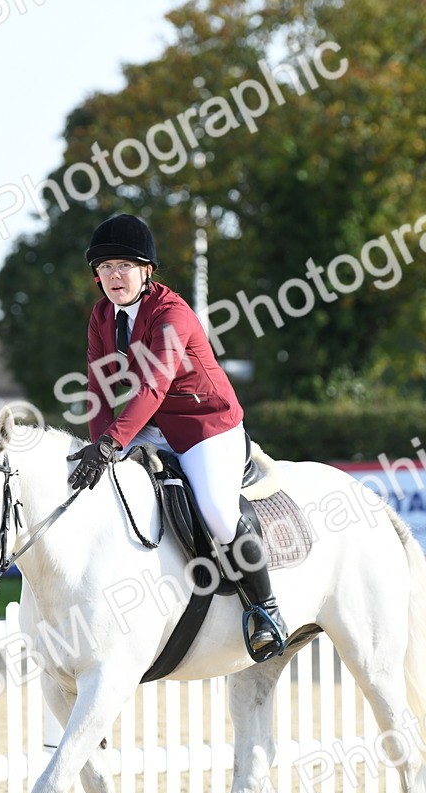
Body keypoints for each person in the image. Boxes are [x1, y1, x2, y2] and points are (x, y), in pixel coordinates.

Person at [65, 213, 287, 651]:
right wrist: (96, 446)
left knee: (219, 513)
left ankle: (266, 608)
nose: (113, 276)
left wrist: (112, 443)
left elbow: (153, 384)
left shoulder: (172, 313)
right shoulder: (101, 316)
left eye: (123, 266)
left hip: (207, 425)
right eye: (105, 267)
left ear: (146, 270)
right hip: (154, 424)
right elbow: (99, 386)